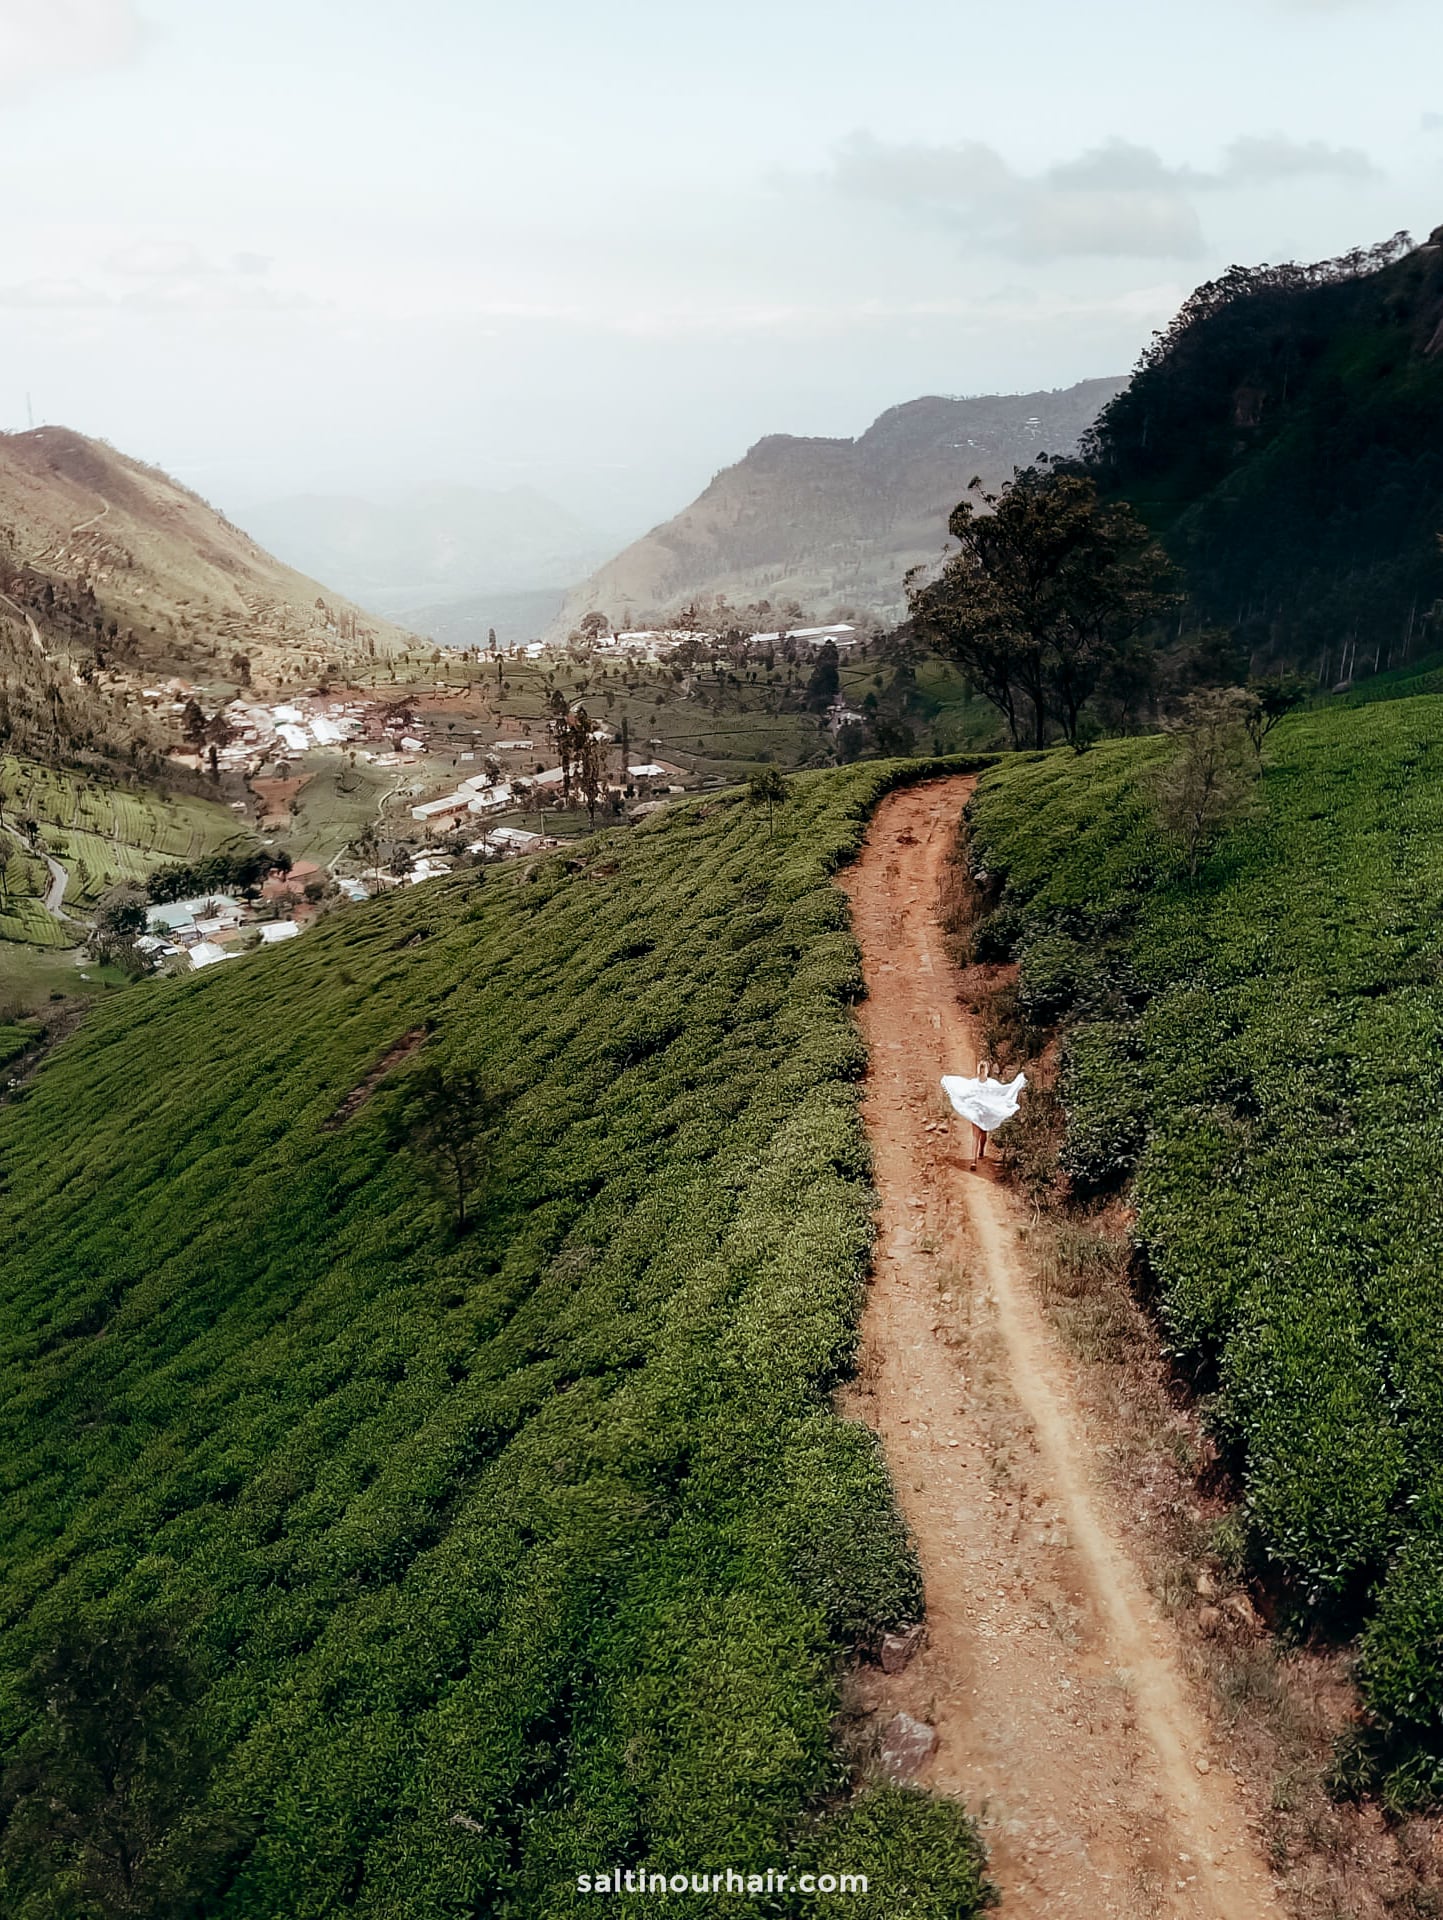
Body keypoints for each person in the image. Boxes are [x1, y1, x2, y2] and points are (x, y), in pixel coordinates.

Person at [940, 1060, 1028, 1167]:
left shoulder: (991, 1084)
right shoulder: (974, 1083)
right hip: (976, 1113)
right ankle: (974, 1160)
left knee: (983, 1134)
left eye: (983, 1069)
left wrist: (1016, 1084)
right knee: (975, 1136)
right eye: (981, 1069)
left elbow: (1001, 1091)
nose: (982, 1071)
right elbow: (964, 1091)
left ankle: (981, 1150)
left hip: (986, 1113)